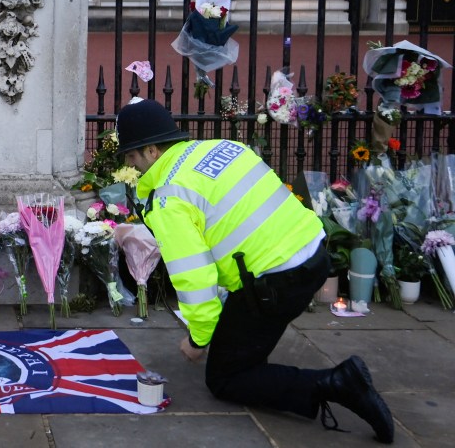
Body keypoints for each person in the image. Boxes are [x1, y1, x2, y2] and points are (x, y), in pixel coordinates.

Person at [115, 99, 394, 444]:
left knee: (226, 379)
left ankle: (338, 383)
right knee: (239, 338)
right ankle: (251, 350)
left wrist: (198, 339)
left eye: (131, 156)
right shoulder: (222, 148)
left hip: (276, 283)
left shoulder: (169, 198)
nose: (131, 164)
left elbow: (194, 278)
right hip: (314, 254)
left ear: (153, 151)